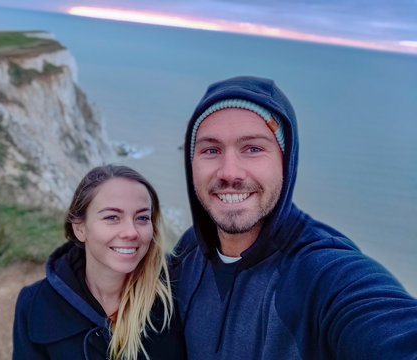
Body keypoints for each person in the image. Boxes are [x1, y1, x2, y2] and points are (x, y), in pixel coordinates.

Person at [171, 75, 417, 359]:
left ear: (285, 162)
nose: (229, 173)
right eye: (211, 150)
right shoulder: (189, 252)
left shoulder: (321, 273)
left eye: (253, 149)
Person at [13, 164, 186, 360]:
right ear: (80, 229)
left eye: (142, 218)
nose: (131, 232)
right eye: (112, 217)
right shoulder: (35, 303)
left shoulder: (176, 291)